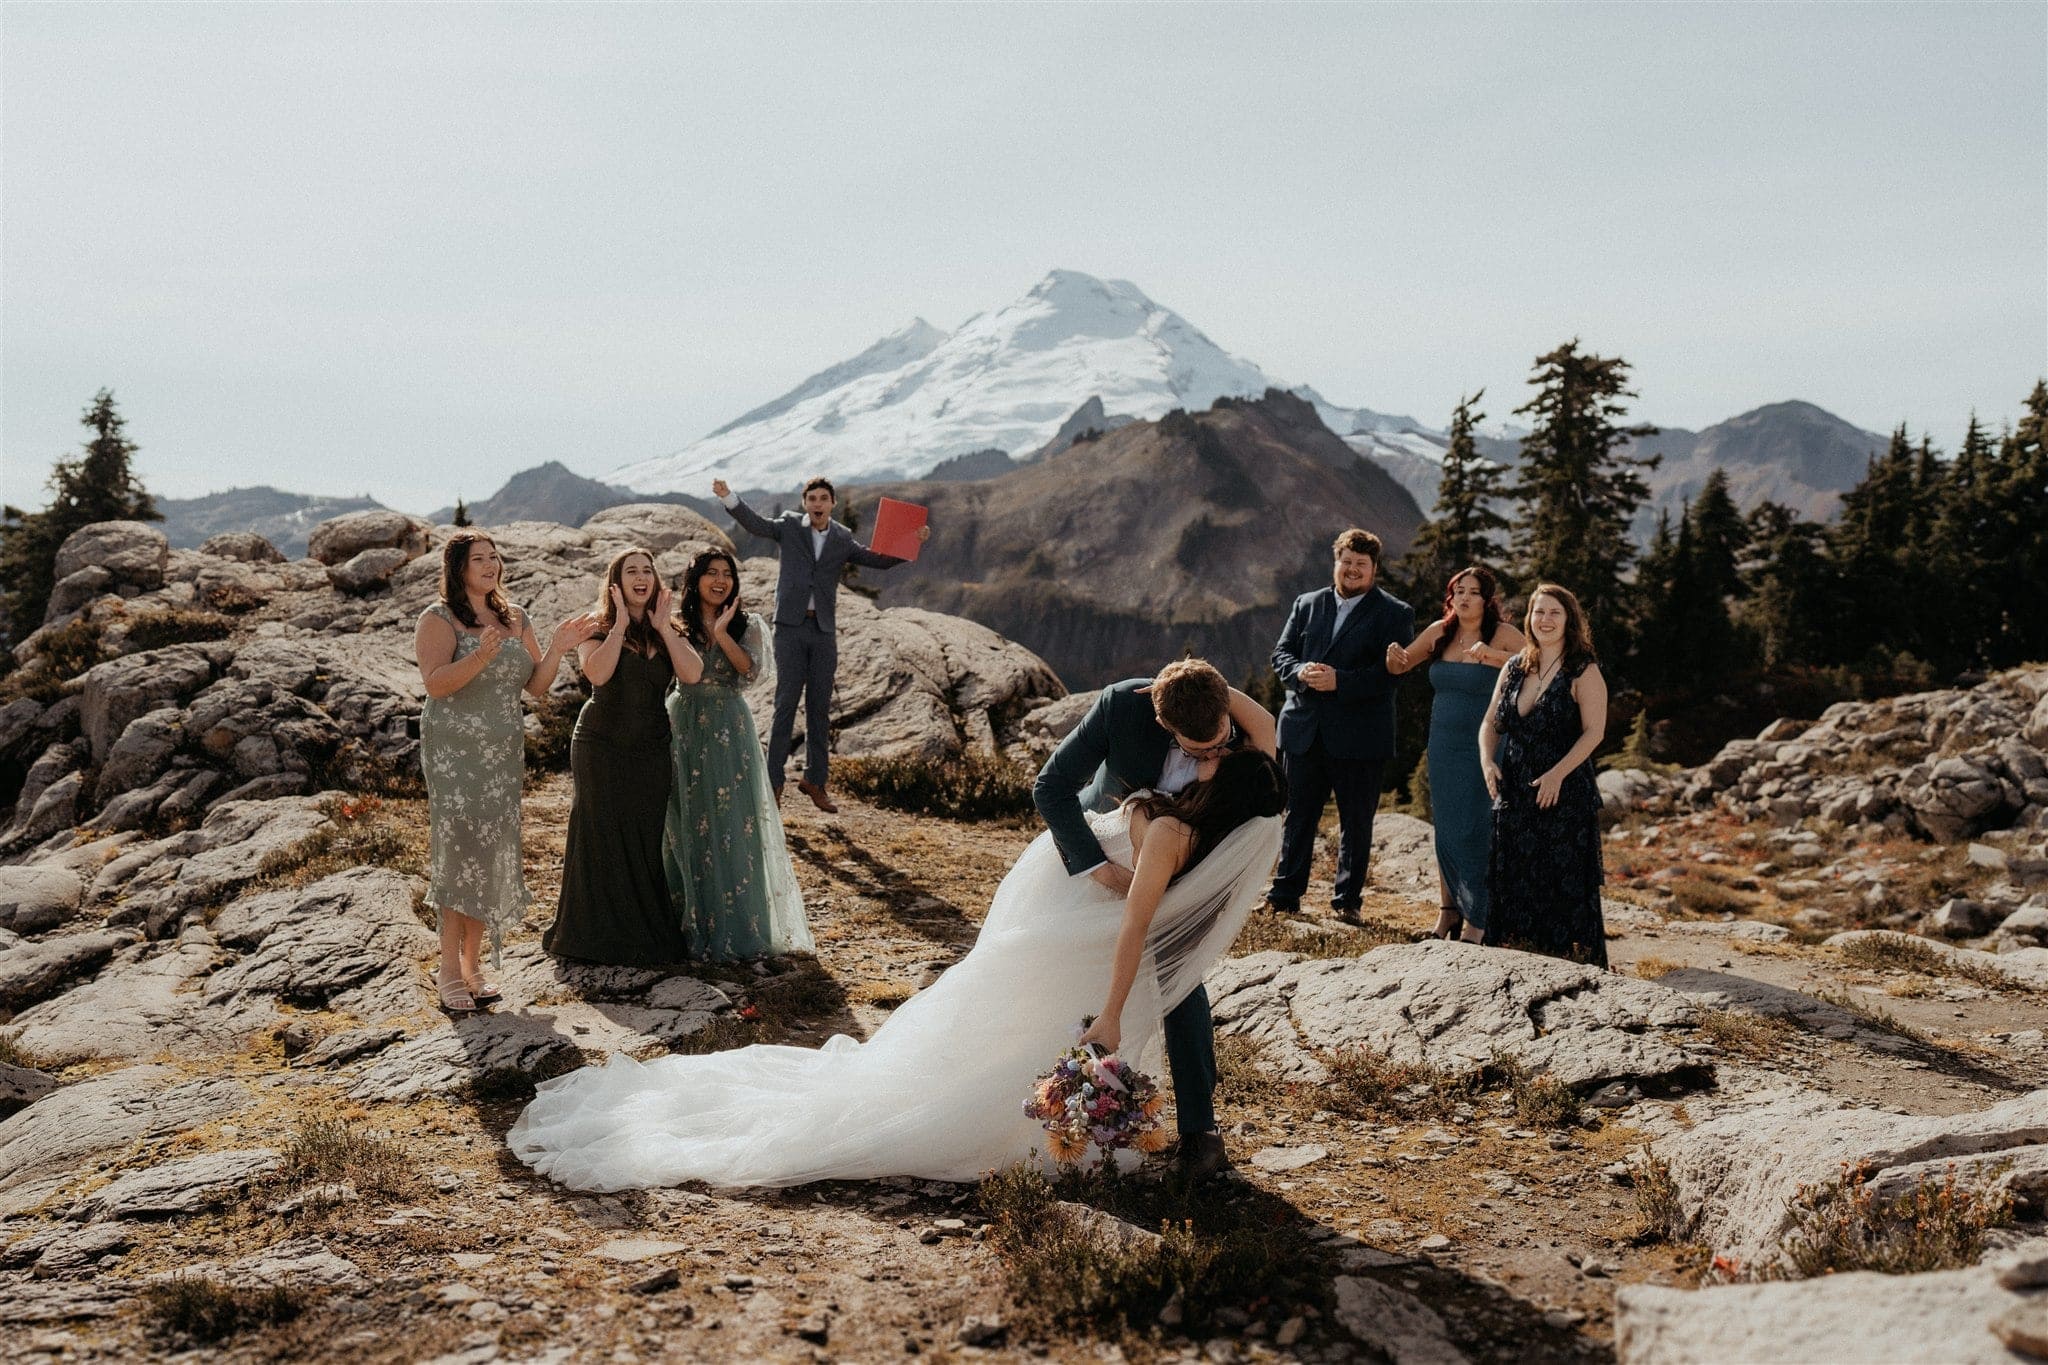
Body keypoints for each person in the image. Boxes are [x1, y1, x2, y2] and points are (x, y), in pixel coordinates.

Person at [507, 742, 1285, 1191]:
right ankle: (1028, 1127)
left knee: (1013, 1034)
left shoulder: (1186, 825)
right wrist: (1113, 1012)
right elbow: (1135, 930)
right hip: (1073, 934)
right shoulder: (1175, 837)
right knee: (1004, 1038)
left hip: (1069, 928)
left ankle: (1058, 1130)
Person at [1031, 659, 1278, 1180]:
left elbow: (1264, 730)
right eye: (1201, 748)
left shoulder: (1240, 743)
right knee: (1056, 973)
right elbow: (1051, 787)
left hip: (1185, 866)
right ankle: (1047, 1096)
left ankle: (1199, 1133)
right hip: (1105, 856)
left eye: (1221, 742)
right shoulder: (1123, 705)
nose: (1217, 752)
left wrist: (1205, 686)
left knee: (1180, 982)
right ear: (1167, 725)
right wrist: (1097, 869)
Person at [415, 531, 595, 1013]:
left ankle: (473, 968)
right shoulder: (438, 618)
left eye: (495, 557)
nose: (491, 565)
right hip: (454, 751)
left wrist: (557, 648)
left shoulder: (516, 617)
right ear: (458, 568)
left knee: (488, 849)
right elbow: (435, 685)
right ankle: (448, 972)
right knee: (457, 853)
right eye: (479, 559)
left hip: (501, 754)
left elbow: (535, 687)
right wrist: (478, 656)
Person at [710, 476, 929, 813]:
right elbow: (756, 525)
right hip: (790, 628)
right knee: (785, 705)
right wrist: (729, 498)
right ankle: (773, 782)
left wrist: (912, 543)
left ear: (832, 503)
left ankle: (816, 781)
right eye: (811, 498)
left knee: (819, 708)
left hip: (824, 630)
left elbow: (877, 559)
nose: (816, 503)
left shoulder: (841, 537)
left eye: (823, 498)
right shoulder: (788, 527)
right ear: (804, 502)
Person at [543, 548, 704, 967]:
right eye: (630, 571)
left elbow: (692, 673)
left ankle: (640, 934)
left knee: (643, 838)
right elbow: (597, 674)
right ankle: (591, 936)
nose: (640, 577)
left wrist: (665, 630)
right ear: (615, 582)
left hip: (651, 748)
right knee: (599, 834)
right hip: (600, 744)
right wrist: (617, 624)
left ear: (655, 580)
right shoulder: (597, 627)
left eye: (647, 570)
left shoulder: (669, 628)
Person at [663, 548, 813, 961]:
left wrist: (724, 633)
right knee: (683, 820)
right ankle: (682, 925)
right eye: (711, 573)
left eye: (727, 573)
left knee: (734, 822)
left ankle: (740, 928)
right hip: (682, 723)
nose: (720, 580)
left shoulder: (749, 625)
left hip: (729, 726)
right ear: (694, 580)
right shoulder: (676, 624)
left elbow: (750, 673)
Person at [1267, 528, 1415, 921]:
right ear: (1336, 562)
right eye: (1346, 562)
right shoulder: (1306, 603)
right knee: (1298, 816)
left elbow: (1392, 676)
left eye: (1360, 565)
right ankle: (1284, 896)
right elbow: (1281, 654)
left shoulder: (1395, 614)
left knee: (1355, 822)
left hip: (1360, 735)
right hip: (1304, 730)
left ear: (1374, 569)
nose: (1352, 570)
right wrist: (1299, 671)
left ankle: (1346, 902)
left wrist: (1340, 681)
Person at [1385, 566, 1526, 942]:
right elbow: (1401, 665)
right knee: (1446, 826)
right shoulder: (1440, 631)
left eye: (1473, 592)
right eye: (1458, 590)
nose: (1464, 597)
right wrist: (1393, 655)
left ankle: (1477, 921)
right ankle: (1448, 911)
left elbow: (1541, 666)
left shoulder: (1505, 635)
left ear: (1487, 599)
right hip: (1443, 743)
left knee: (1479, 827)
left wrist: (1493, 656)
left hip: (1488, 743)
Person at [1479, 583, 1609, 966]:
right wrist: (1487, 760)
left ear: (1569, 619)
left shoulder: (1583, 669)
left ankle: (1570, 965)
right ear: (1529, 619)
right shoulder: (1514, 666)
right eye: (1539, 612)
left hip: (1565, 793)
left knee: (1561, 881)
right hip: (1515, 791)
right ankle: (1521, 960)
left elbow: (1594, 732)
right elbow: (1490, 723)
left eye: (1554, 612)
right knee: (1514, 878)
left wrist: (1557, 775)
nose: (1545, 620)